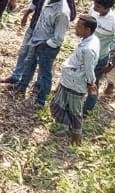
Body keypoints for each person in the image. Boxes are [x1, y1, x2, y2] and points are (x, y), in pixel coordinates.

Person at [2, 0, 76, 88]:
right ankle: (16, 77)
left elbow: (71, 15)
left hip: (47, 34)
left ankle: (39, 85)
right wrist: (27, 14)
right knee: (24, 52)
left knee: (42, 61)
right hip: (35, 24)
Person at [3, 0, 71, 106]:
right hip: (37, 40)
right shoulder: (48, 0)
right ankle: (21, 87)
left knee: (44, 73)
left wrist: (44, 44)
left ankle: (40, 100)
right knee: (29, 64)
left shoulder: (62, 12)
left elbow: (58, 38)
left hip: (47, 47)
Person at [50, 14, 100, 145]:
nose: (75, 29)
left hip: (75, 83)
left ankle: (76, 135)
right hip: (69, 80)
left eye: (79, 27)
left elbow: (89, 69)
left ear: (87, 30)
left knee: (74, 112)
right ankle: (66, 128)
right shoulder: (90, 40)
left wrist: (91, 83)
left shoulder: (88, 49)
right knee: (57, 105)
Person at [84, 0, 115, 115]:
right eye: (95, 5)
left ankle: (87, 111)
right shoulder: (93, 10)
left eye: (98, 7)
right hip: (86, 52)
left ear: (107, 8)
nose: (95, 8)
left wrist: (112, 63)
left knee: (93, 83)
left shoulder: (113, 21)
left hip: (100, 57)